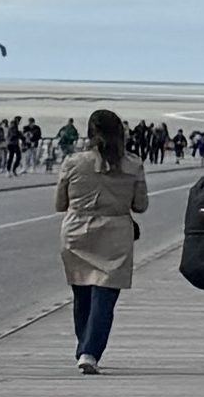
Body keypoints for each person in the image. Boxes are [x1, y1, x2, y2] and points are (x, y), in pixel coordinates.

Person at [53, 109, 147, 370]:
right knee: (105, 296)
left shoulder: (73, 162)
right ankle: (89, 351)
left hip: (77, 230)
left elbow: (60, 203)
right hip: (115, 231)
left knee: (81, 291)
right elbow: (141, 205)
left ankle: (84, 345)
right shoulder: (133, 164)